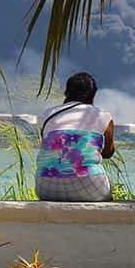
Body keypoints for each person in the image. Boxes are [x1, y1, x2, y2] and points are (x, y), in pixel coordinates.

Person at [35, 72, 115, 202]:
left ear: (66, 92)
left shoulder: (47, 114)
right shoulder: (103, 116)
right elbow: (108, 153)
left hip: (45, 187)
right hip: (89, 185)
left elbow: (47, 147)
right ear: (93, 95)